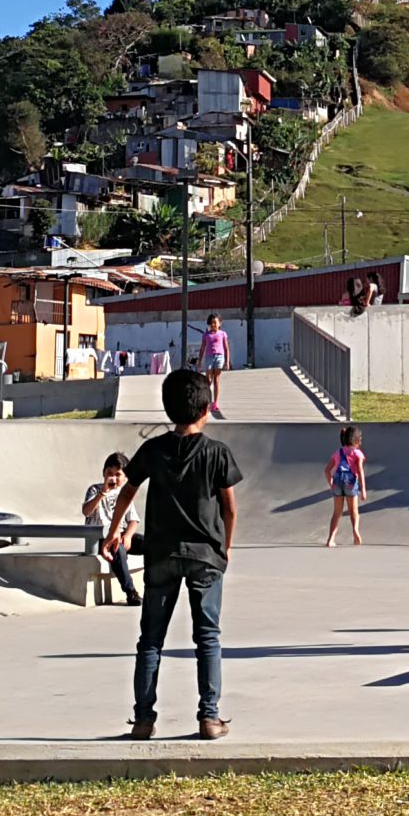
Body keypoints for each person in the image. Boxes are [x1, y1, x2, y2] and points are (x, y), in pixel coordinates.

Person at [105, 368, 242, 740]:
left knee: (151, 639)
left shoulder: (153, 449)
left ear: (168, 409)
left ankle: (143, 720)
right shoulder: (217, 452)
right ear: (206, 409)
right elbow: (230, 508)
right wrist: (226, 546)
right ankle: (209, 718)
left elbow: (127, 490)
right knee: (207, 637)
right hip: (206, 555)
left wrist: (114, 531)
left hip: (162, 554)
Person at [81, 451, 144, 605]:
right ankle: (130, 592)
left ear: (125, 477)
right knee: (118, 548)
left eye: (118, 475)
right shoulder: (95, 490)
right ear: (104, 473)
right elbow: (86, 511)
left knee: (149, 543)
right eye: (110, 473)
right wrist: (102, 493)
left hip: (120, 535)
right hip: (100, 538)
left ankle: (155, 584)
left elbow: (133, 520)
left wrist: (128, 536)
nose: (113, 478)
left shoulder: (124, 493)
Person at [324, 425, 367, 545]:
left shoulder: (338, 452)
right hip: (350, 483)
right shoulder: (357, 453)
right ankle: (355, 531)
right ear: (357, 440)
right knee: (354, 511)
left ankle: (330, 539)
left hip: (338, 482)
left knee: (337, 513)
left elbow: (327, 470)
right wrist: (363, 489)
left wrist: (331, 483)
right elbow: (360, 471)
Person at [198, 316, 231, 417]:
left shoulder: (222, 334)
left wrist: (227, 362)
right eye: (211, 323)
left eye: (215, 323)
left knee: (216, 380)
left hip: (219, 357)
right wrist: (199, 361)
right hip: (209, 357)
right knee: (208, 381)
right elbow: (202, 348)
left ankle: (215, 403)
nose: (213, 325)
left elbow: (226, 348)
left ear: (219, 323)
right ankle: (207, 402)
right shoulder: (206, 335)